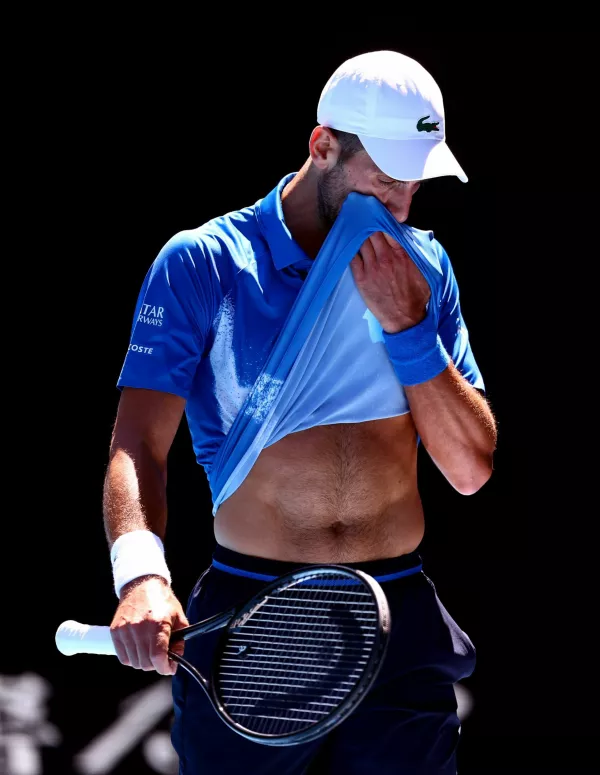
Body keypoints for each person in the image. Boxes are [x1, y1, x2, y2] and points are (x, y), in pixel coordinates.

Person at [103, 49, 497, 774]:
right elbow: (137, 446)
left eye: (415, 182)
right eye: (385, 178)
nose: (403, 204)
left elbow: (470, 469)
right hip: (254, 619)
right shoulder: (203, 262)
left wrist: (409, 330)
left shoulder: (424, 268)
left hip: (398, 619)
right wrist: (141, 575)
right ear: (323, 147)